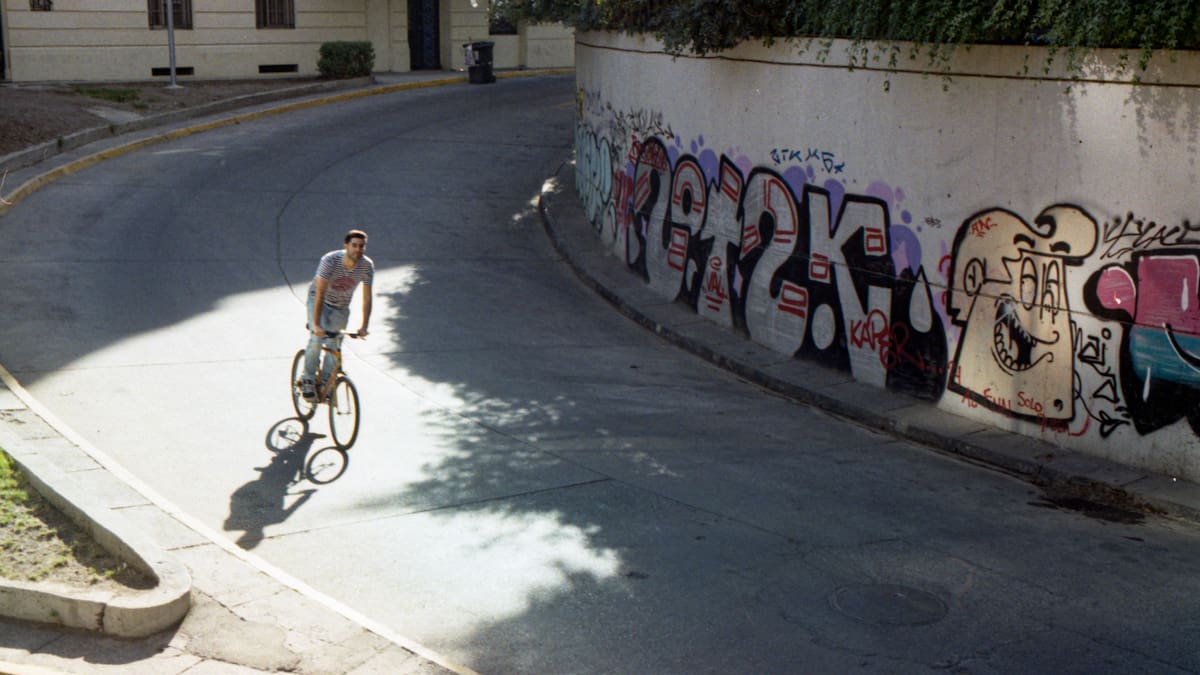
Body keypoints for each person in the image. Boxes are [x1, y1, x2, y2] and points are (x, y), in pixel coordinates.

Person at [302, 229, 374, 399]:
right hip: (318, 300)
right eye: (354, 245)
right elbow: (320, 293)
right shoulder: (330, 260)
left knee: (334, 345)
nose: (358, 250)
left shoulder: (366, 266)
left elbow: (367, 298)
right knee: (317, 339)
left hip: (341, 307)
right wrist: (316, 324)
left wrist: (364, 326)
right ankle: (308, 379)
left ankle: (326, 383)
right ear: (346, 245)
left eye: (362, 246)